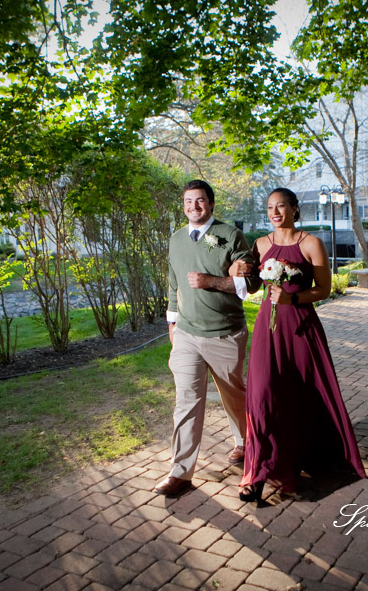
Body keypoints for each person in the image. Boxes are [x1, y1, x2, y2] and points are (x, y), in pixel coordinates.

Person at [230, 188, 366, 502]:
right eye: (269, 207)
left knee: (303, 392)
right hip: (268, 327)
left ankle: (302, 453)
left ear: (294, 208)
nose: (274, 212)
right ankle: (255, 472)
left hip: (302, 326)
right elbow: (247, 281)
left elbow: (324, 290)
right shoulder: (260, 244)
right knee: (262, 394)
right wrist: (232, 269)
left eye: (281, 206)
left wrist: (291, 297)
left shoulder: (311, 243)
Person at [154, 180, 261, 497]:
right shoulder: (175, 240)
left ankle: (245, 443)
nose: (193, 207)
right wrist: (173, 324)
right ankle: (180, 473)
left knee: (233, 395)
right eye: (188, 201)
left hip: (225, 333)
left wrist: (212, 281)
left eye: (200, 201)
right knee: (185, 402)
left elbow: (251, 284)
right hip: (186, 333)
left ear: (211, 204)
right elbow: (174, 285)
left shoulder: (230, 236)